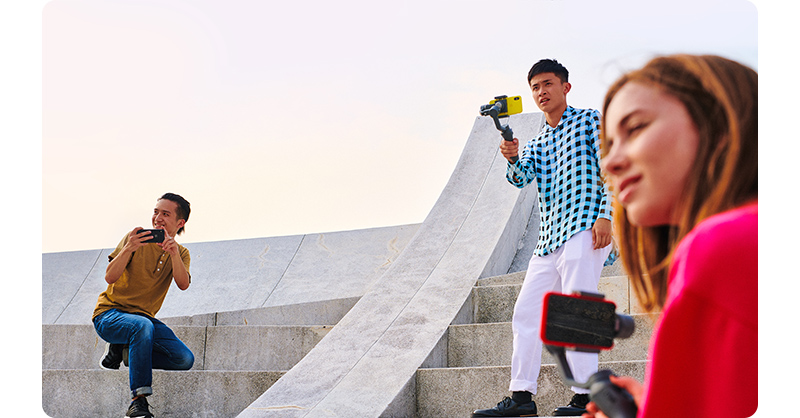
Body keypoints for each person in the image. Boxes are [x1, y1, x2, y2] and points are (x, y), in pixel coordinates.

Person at [582, 54, 757, 418]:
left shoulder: (720, 246)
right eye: (609, 144)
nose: (609, 163)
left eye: (635, 128)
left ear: (720, 124)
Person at [473, 59, 615, 417]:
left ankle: (586, 398)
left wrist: (606, 215)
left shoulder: (590, 120)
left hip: (585, 227)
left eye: (548, 84)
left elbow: (613, 167)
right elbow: (521, 178)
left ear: (565, 87)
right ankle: (522, 398)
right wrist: (512, 156)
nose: (541, 92)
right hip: (549, 239)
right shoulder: (538, 141)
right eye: (535, 87)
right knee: (525, 313)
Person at [92, 193, 196, 418]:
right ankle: (138, 402)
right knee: (141, 326)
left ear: (180, 222)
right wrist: (129, 248)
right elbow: (110, 277)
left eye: (165, 214)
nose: (157, 218)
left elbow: (183, 284)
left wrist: (173, 254)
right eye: (156, 212)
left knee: (184, 359)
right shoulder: (135, 240)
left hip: (143, 320)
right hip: (109, 314)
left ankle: (125, 350)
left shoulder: (181, 253)